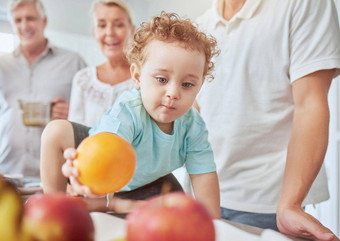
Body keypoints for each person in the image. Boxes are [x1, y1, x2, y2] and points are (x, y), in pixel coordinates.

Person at [41, 11, 221, 219]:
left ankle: (113, 204)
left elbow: (204, 175)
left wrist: (214, 225)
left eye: (187, 84)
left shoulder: (193, 125)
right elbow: (107, 153)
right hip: (107, 159)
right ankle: (55, 208)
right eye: (162, 80)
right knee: (56, 131)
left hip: (147, 179)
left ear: (199, 87)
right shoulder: (129, 110)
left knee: (177, 211)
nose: (173, 93)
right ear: (137, 77)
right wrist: (88, 179)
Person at [195, 0, 340, 240]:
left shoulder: (302, 4)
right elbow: (196, 113)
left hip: (269, 206)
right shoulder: (201, 25)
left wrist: (289, 204)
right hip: (203, 199)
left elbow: (309, 105)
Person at [0, 0, 86, 179]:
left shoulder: (73, 61)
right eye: (18, 20)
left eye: (30, 18)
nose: (24, 25)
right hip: (7, 169)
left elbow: (91, 113)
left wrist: (72, 114)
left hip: (57, 174)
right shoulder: (2, 65)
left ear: (44, 21)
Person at [68, 0, 135, 127]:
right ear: (94, 32)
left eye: (119, 25)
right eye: (102, 26)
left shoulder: (145, 79)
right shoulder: (83, 79)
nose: (109, 32)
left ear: (131, 30)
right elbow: (74, 134)